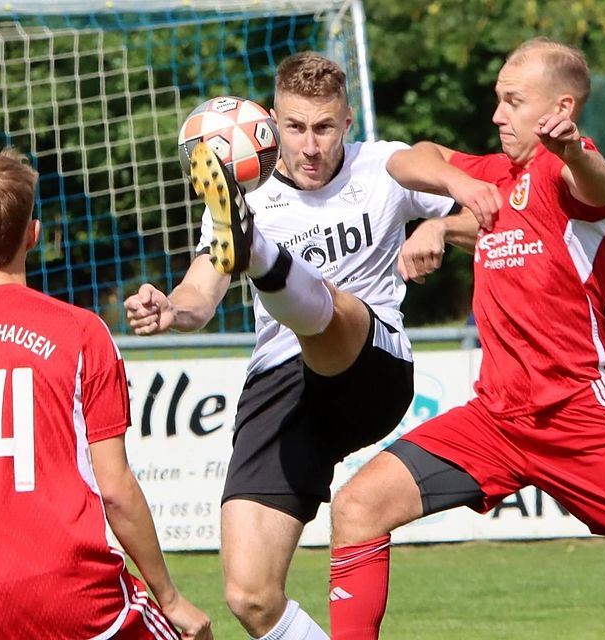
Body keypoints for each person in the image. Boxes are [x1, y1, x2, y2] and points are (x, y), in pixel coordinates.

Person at [328, 38, 605, 640]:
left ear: (559, 108)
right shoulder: (492, 174)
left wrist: (570, 147)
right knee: (357, 507)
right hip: (496, 422)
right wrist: (445, 210)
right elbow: (410, 160)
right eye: (498, 99)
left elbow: (598, 185)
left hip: (581, 419)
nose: (497, 114)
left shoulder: (567, 169)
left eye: (513, 101)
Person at [125, 52, 476, 640]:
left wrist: (439, 225)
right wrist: (169, 310)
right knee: (251, 596)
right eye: (295, 128)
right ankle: (259, 253)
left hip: (372, 366)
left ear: (346, 123)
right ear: (272, 124)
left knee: (332, 311)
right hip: (283, 386)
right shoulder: (250, 197)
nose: (310, 146)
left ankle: (261, 254)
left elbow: (479, 208)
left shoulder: (381, 166)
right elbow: (199, 295)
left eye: (324, 128)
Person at [0, 149, 212, 640]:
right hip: (79, 596)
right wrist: (172, 598)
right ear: (33, 234)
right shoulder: (82, 333)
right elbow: (115, 489)